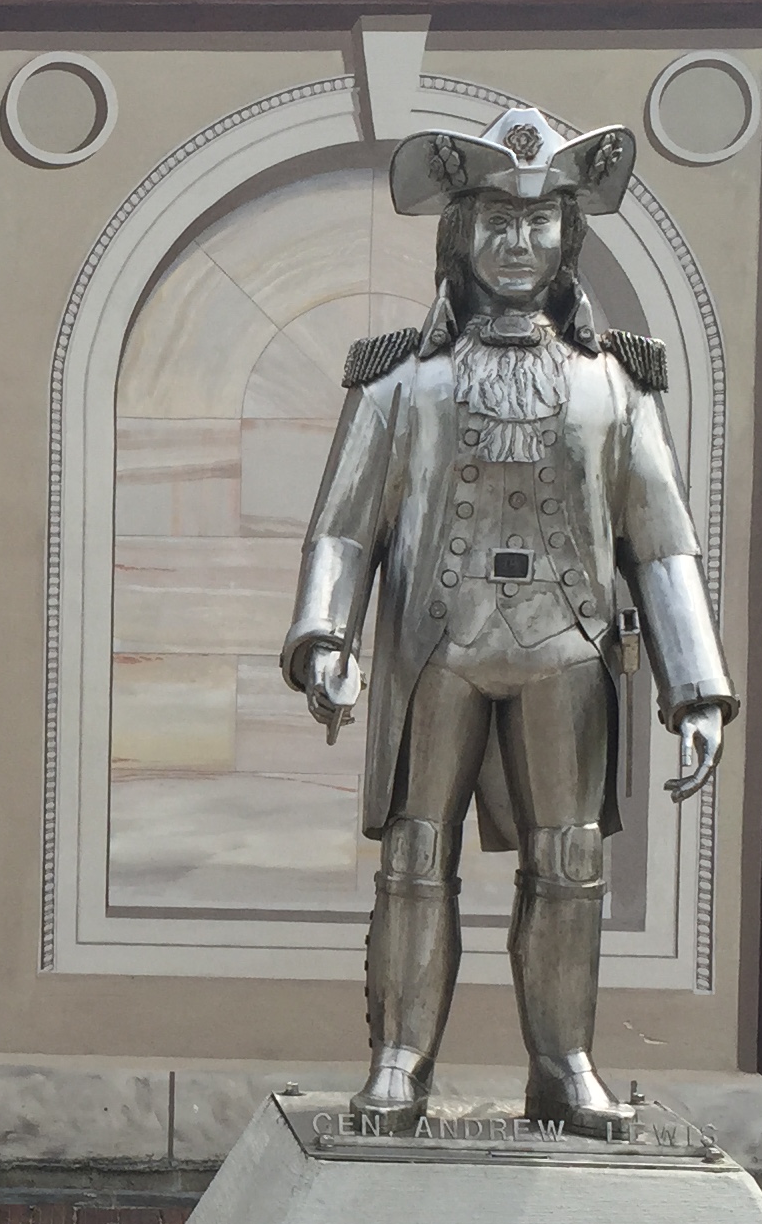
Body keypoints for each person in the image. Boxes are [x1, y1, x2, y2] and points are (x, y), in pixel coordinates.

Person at [281, 105, 735, 1140]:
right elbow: (343, 528)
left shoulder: (615, 387)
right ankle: (399, 1061)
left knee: (569, 863)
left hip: (567, 654)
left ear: (569, 237)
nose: (519, 244)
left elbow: (662, 543)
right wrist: (324, 638)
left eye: (540, 224)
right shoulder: (403, 383)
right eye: (497, 223)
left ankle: (564, 1064)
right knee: (415, 856)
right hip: (436, 649)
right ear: (461, 236)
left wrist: (696, 687)